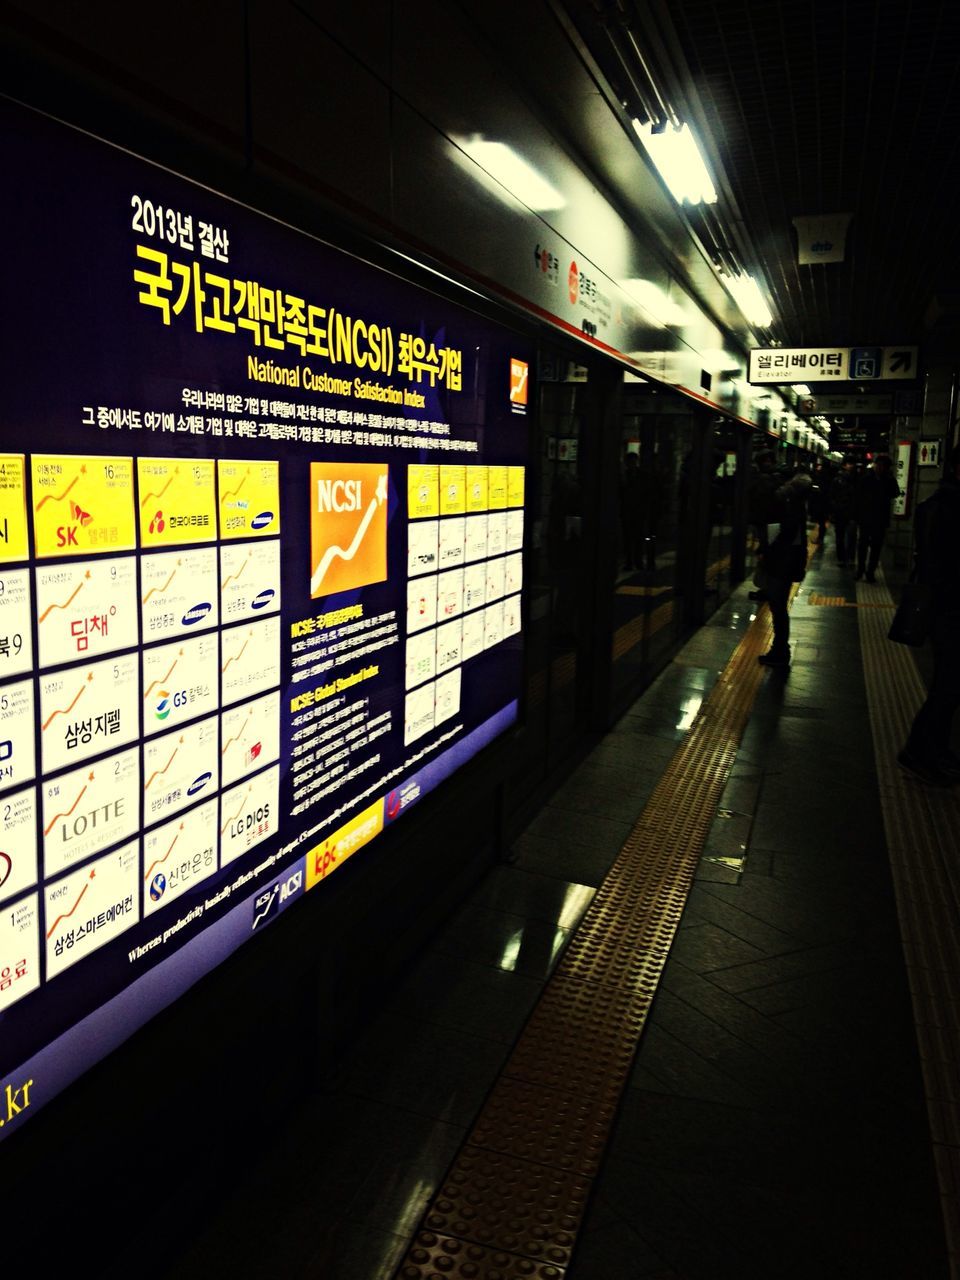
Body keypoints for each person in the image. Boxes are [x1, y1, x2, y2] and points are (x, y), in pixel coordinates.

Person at [898, 446, 960, 786]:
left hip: (942, 607)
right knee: (948, 687)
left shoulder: (935, 504)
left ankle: (935, 747)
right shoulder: (949, 509)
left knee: (947, 685)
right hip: (950, 609)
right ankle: (919, 750)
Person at [757, 468, 812, 667]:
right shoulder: (797, 502)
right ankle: (780, 649)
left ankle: (780, 650)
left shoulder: (789, 502)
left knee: (778, 606)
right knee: (778, 605)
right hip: (790, 559)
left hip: (783, 560)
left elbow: (786, 533)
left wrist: (768, 550)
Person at [854, 452, 900, 582]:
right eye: (878, 465)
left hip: (880, 519)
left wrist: (890, 479)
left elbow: (895, 493)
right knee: (862, 546)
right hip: (865, 518)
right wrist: (856, 516)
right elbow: (857, 498)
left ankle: (870, 572)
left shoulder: (889, 480)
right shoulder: (865, 479)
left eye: (883, 466)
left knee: (876, 547)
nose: (879, 468)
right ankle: (860, 570)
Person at [828, 457, 858, 566]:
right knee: (840, 536)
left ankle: (848, 558)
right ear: (844, 465)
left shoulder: (856, 479)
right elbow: (832, 495)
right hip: (841, 512)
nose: (851, 466)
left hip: (850, 513)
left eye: (852, 464)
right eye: (849, 464)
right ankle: (842, 558)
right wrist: (833, 510)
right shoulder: (837, 480)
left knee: (850, 537)